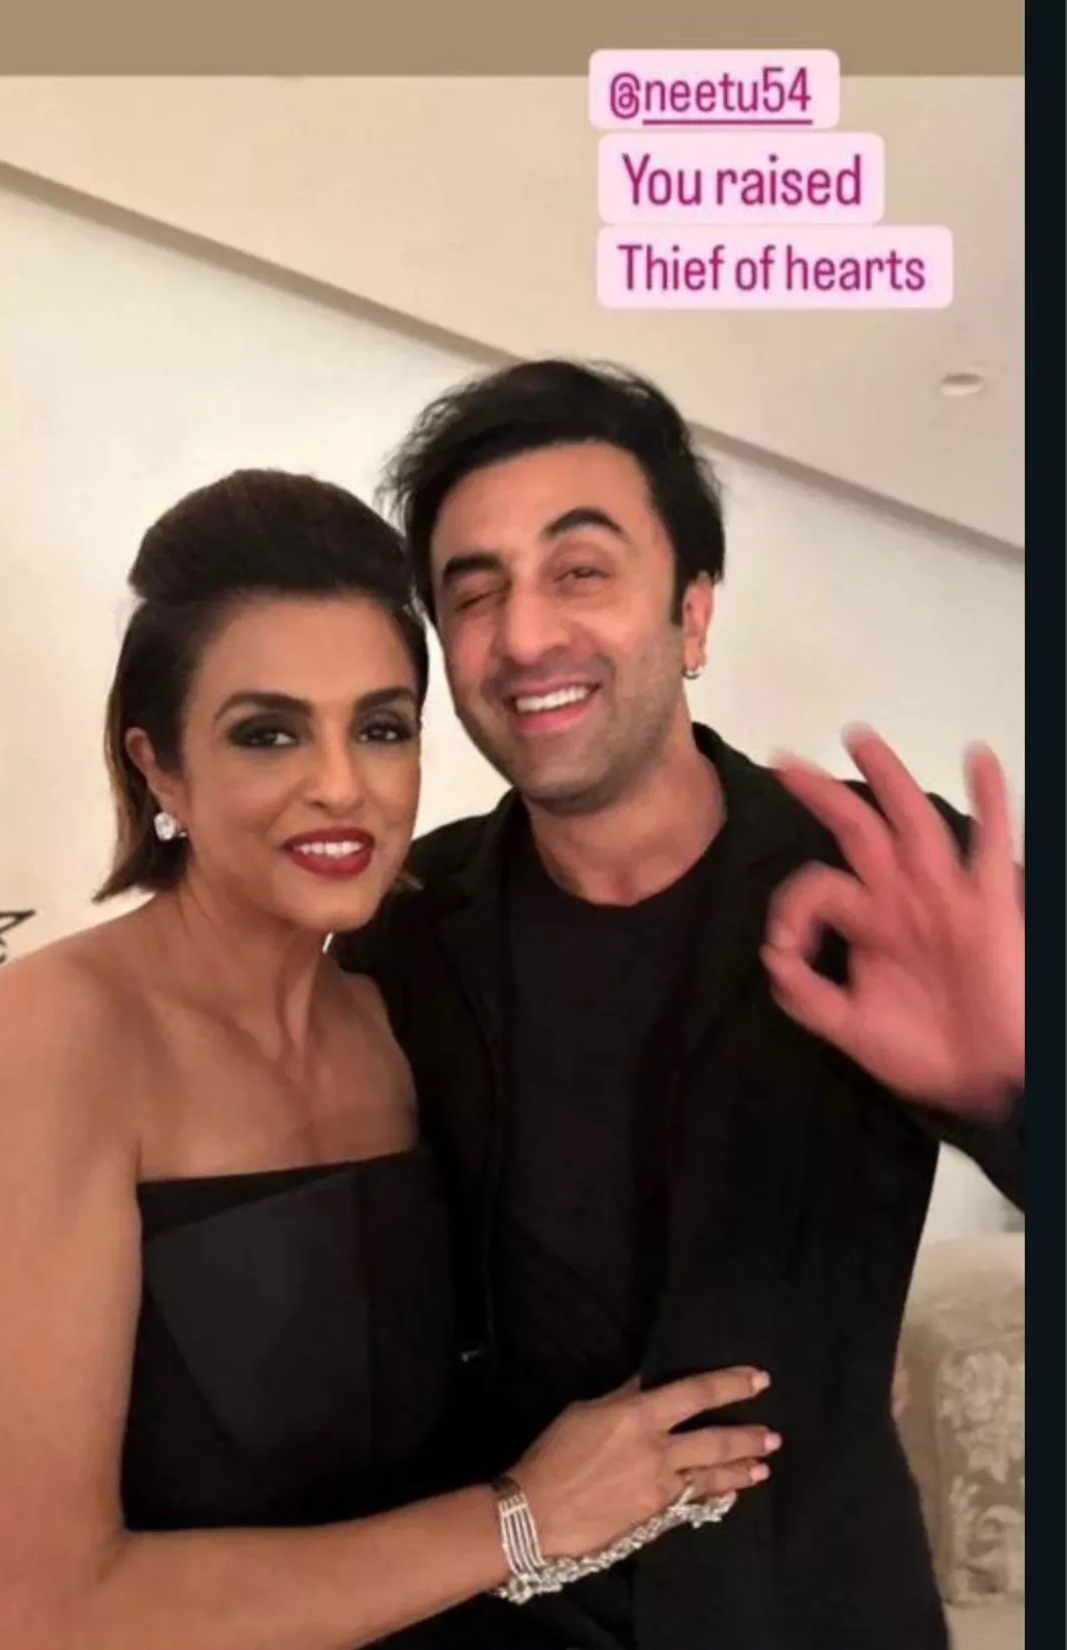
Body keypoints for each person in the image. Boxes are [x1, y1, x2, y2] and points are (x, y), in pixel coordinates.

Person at [0, 469, 781, 1650]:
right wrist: (521, 1523)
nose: (341, 785)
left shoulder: (397, 1015)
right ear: (159, 766)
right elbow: (24, 1615)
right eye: (268, 732)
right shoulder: (57, 1034)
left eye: (381, 728)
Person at [332, 361, 1026, 1650]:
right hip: (509, 1616)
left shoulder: (883, 878)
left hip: (821, 1612)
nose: (523, 635)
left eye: (580, 570)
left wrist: (1014, 1093)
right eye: (473, 593)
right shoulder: (403, 928)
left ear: (692, 615)